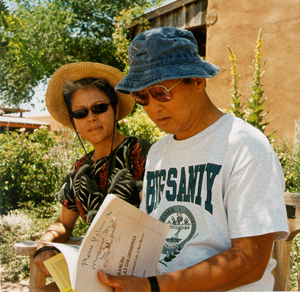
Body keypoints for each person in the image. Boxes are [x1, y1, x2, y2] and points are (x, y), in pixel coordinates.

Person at [97, 27, 289, 291]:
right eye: (142, 96)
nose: (153, 107)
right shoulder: (158, 153)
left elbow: (251, 261)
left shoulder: (244, 146)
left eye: (162, 91)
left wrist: (152, 287)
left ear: (198, 81)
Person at [34, 62, 152, 291]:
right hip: (94, 273)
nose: (91, 118)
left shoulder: (141, 152)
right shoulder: (79, 168)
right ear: (75, 122)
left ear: (115, 110)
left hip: (140, 274)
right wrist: (45, 242)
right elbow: (63, 223)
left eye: (99, 108)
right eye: (80, 113)